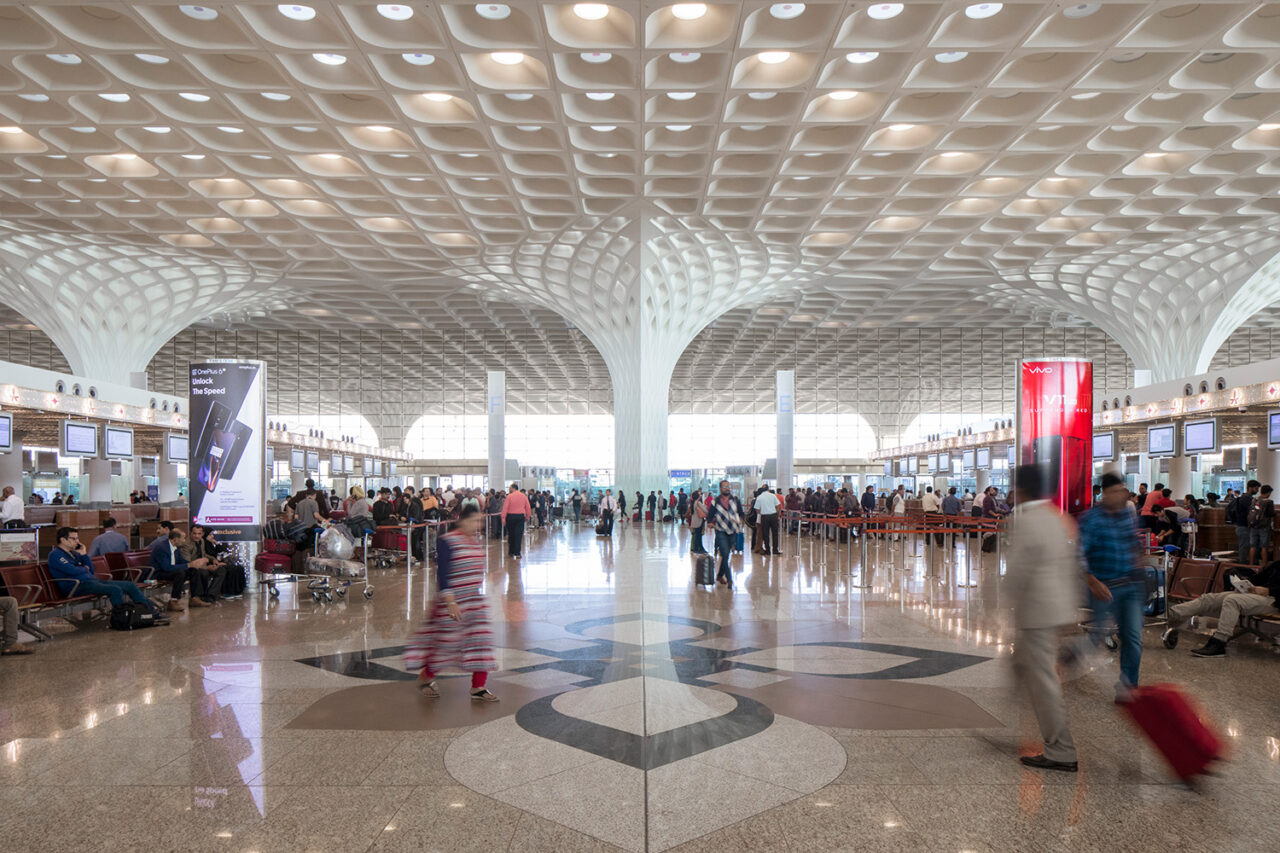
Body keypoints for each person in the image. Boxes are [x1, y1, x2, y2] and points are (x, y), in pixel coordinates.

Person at [1006, 464, 1079, 773]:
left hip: (1037, 611)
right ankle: (1008, 713)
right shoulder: (1057, 517)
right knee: (1020, 664)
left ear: (1020, 490)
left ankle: (1061, 750)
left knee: (1044, 681)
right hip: (1058, 608)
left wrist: (1004, 601)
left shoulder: (1027, 521)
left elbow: (1018, 571)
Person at [406, 506, 498, 702]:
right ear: (462, 520)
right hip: (452, 603)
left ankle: (478, 687)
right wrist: (450, 602)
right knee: (446, 645)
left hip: (473, 601)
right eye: (475, 521)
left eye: (480, 521)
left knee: (480, 642)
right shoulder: (447, 541)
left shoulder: (475, 542)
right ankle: (425, 678)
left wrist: (490, 577)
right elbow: (443, 574)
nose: (478, 525)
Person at [1076, 472, 1144, 698]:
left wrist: (1138, 566)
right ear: (1104, 493)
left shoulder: (1127, 514)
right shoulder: (1091, 519)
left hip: (1130, 585)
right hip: (1104, 587)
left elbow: (1132, 543)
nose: (1120, 495)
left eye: (1122, 490)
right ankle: (1067, 658)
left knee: (1133, 637)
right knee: (1095, 637)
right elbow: (1079, 555)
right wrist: (1092, 581)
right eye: (1115, 491)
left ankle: (1128, 687)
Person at [1163, 560, 1280, 658]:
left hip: (1275, 601)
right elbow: (1259, 579)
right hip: (1261, 596)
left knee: (1233, 600)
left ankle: (1219, 643)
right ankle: (1169, 615)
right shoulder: (1277, 564)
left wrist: (1268, 591)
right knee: (1209, 599)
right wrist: (1247, 585)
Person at [48, 528, 167, 622]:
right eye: (74, 539)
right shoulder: (55, 555)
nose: (77, 542)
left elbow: (91, 570)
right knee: (114, 589)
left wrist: (84, 555)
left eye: (77, 538)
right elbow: (72, 571)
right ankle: (122, 617)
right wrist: (84, 568)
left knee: (130, 585)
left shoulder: (74, 554)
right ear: (63, 540)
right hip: (75, 586)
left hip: (92, 582)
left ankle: (151, 612)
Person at [149, 529, 202, 612]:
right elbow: (166, 567)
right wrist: (187, 565)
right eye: (183, 538)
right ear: (175, 539)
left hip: (171, 571)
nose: (184, 541)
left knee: (193, 570)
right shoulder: (162, 548)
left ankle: (194, 598)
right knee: (180, 573)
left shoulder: (176, 547)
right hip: (159, 573)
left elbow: (181, 560)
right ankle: (174, 600)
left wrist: (192, 564)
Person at [705, 480, 744, 588]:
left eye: (728, 486)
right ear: (720, 488)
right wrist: (709, 522)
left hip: (733, 530)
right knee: (725, 553)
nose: (727, 488)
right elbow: (710, 515)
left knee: (726, 555)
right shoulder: (716, 501)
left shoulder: (735, 500)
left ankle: (719, 575)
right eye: (725, 486)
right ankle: (730, 579)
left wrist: (741, 519)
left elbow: (741, 513)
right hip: (720, 530)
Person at [181, 524, 227, 605]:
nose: (196, 536)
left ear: (202, 534)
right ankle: (200, 597)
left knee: (221, 570)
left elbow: (203, 554)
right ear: (190, 533)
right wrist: (207, 567)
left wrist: (213, 559)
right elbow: (188, 561)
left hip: (202, 565)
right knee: (203, 572)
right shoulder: (186, 544)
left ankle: (210, 596)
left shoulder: (201, 541)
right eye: (194, 533)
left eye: (199, 534)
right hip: (192, 568)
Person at [1229, 480, 1261, 563]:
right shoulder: (1247, 499)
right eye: (1256, 488)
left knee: (1245, 545)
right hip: (1244, 526)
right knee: (1244, 546)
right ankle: (1243, 564)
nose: (1257, 491)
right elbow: (1250, 512)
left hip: (1241, 525)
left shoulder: (1243, 498)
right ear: (1250, 488)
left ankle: (1245, 563)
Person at [501, 483, 531, 559]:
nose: (509, 489)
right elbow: (528, 507)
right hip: (520, 517)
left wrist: (503, 518)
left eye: (510, 488)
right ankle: (517, 553)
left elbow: (505, 508)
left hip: (510, 517)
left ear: (513, 488)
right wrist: (527, 516)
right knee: (518, 535)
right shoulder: (523, 496)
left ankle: (511, 552)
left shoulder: (509, 496)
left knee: (511, 535)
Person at [1247, 484, 1275, 566]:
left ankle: (1251, 565)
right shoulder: (1269, 502)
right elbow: (1271, 514)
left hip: (1253, 526)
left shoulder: (1254, 500)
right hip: (1264, 527)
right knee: (1264, 547)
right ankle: (1264, 566)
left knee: (1252, 547)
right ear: (1268, 492)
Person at [754, 484, 781, 555]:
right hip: (773, 516)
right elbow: (778, 506)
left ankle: (768, 550)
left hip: (764, 517)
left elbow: (757, 509)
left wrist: (759, 517)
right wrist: (777, 515)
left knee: (766, 534)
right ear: (768, 489)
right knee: (775, 534)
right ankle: (775, 550)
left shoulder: (759, 497)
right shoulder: (773, 496)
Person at [689, 488, 707, 553]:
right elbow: (705, 510)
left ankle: (697, 548)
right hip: (699, 521)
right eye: (699, 494)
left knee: (697, 535)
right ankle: (699, 549)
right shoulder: (698, 502)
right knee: (698, 536)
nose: (700, 495)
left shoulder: (693, 502)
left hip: (694, 521)